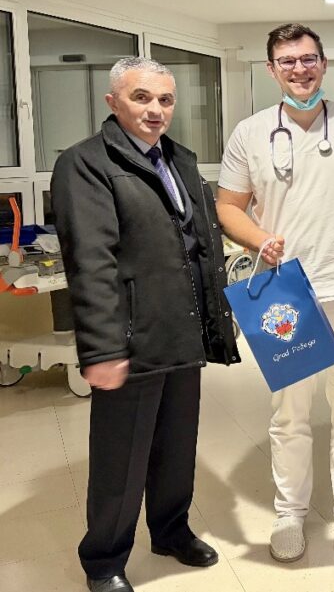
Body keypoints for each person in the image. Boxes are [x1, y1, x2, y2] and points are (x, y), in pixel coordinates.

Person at [216, 24, 334, 562]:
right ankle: (290, 514)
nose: (299, 69)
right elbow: (228, 205)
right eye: (287, 61)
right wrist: (260, 239)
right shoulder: (250, 133)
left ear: (324, 63)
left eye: (308, 59)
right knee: (291, 414)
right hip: (287, 292)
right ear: (272, 70)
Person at [52, 57, 240, 592]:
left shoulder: (179, 160)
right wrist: (102, 349)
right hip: (130, 337)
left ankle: (171, 531)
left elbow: (198, 240)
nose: (156, 109)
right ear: (113, 102)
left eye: (165, 99)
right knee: (122, 457)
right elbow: (91, 263)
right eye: (141, 97)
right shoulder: (85, 164)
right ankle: (104, 560)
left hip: (182, 328)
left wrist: (217, 320)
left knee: (177, 446)